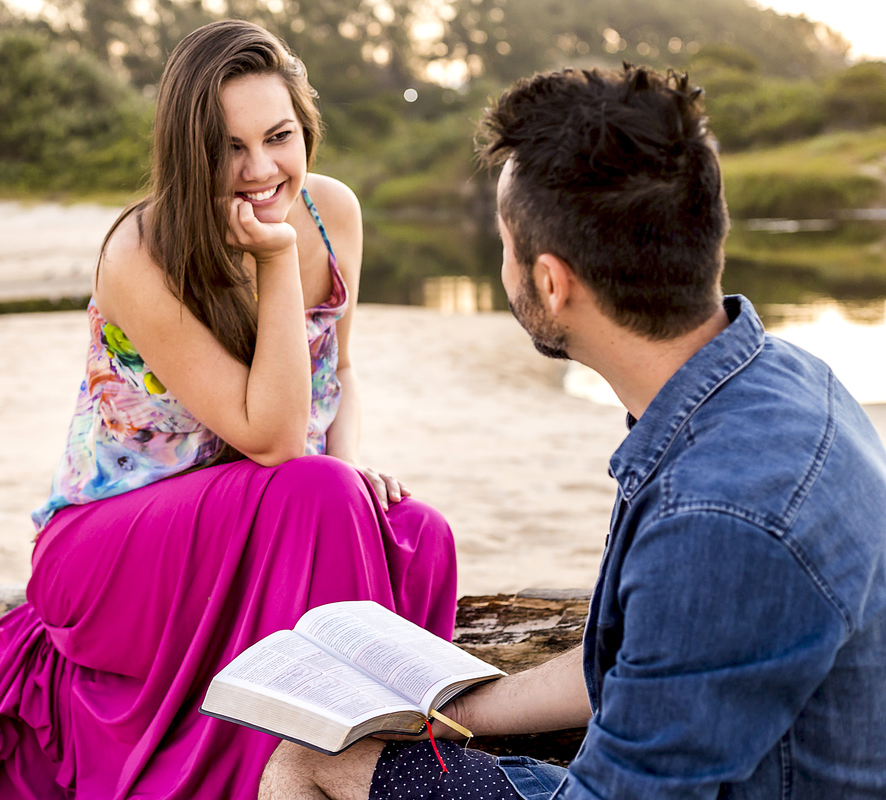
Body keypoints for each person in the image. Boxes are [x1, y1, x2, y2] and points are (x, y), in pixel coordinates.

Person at [258, 65, 886, 800]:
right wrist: (450, 711)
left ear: (551, 283)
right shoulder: (766, 381)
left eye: (504, 244)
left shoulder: (717, 517)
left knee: (306, 763)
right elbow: (629, 663)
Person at [0, 19, 457, 800]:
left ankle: (358, 763)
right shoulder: (139, 253)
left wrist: (354, 465)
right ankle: (291, 773)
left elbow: (343, 373)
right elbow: (273, 440)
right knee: (318, 491)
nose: (261, 168)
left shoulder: (333, 212)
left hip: (257, 511)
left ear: (307, 129)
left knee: (418, 533)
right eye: (230, 147)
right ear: (188, 151)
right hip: (110, 540)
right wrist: (271, 261)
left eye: (280, 136)